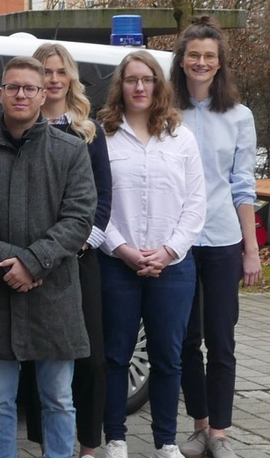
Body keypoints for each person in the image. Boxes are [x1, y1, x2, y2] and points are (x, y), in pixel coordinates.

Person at [0, 56, 96, 458]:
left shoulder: (70, 151)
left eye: (29, 88)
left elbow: (79, 218)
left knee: (58, 397)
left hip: (54, 293)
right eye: (13, 87)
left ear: (43, 93)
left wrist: (33, 262)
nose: (21, 94)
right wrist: (10, 262)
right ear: (0, 94)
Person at [96, 49, 206, 458]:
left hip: (172, 267)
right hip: (116, 264)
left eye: (147, 79)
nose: (139, 87)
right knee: (114, 355)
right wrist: (121, 248)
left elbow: (196, 203)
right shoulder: (102, 135)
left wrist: (168, 250)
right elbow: (94, 204)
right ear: (120, 86)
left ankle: (165, 442)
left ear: (159, 86)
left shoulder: (181, 137)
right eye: (131, 79)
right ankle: (116, 439)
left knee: (168, 358)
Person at [170, 16, 261, 458]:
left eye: (209, 56)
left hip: (224, 239)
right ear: (182, 61)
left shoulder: (239, 116)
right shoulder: (166, 111)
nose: (201, 62)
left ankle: (221, 434)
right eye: (194, 56)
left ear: (220, 63)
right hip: (179, 242)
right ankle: (200, 425)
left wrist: (251, 251)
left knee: (221, 340)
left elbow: (242, 186)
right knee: (186, 340)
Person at [20, 43, 113, 458]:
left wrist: (79, 244)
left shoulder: (88, 130)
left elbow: (103, 197)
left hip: (79, 260)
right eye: (46, 71)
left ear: (70, 77)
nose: (54, 78)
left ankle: (89, 445)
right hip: (36, 261)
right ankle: (48, 446)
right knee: (39, 359)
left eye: (60, 71)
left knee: (91, 359)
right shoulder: (21, 125)